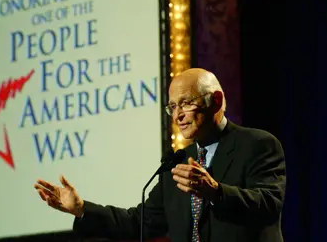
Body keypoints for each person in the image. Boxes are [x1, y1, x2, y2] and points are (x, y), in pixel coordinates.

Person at [34, 68, 286, 242]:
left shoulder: (257, 144)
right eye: (172, 107)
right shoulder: (178, 164)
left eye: (185, 103)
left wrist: (216, 191)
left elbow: (268, 205)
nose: (177, 116)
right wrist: (81, 209)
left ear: (216, 101)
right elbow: (137, 222)